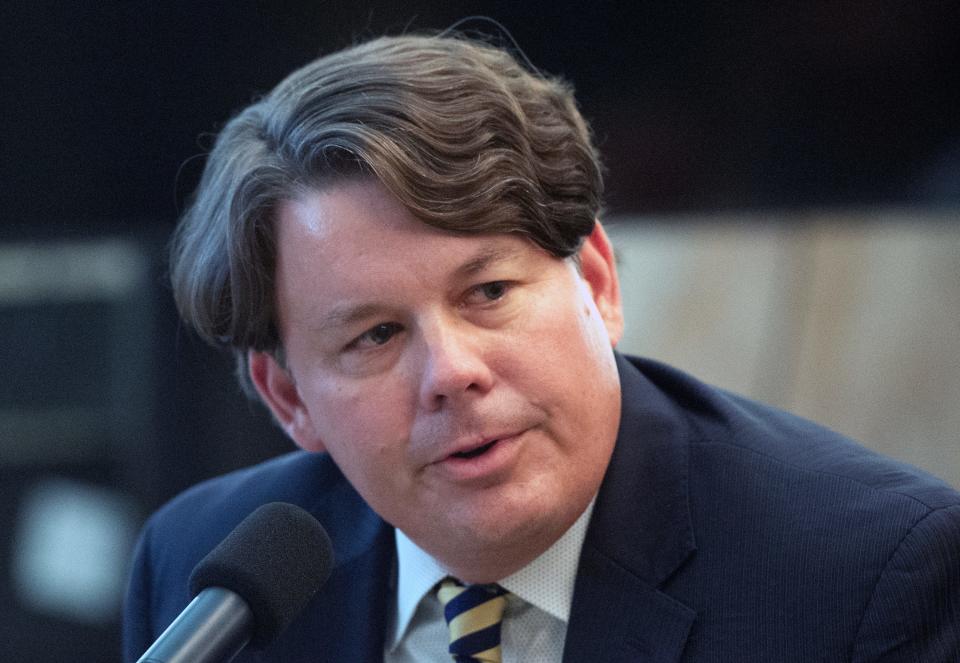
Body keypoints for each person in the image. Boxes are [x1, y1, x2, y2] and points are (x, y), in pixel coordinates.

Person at [123, 33, 960, 662]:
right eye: (375, 335)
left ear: (596, 281)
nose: (452, 372)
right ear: (289, 398)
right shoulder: (205, 577)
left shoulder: (868, 581)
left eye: (488, 293)